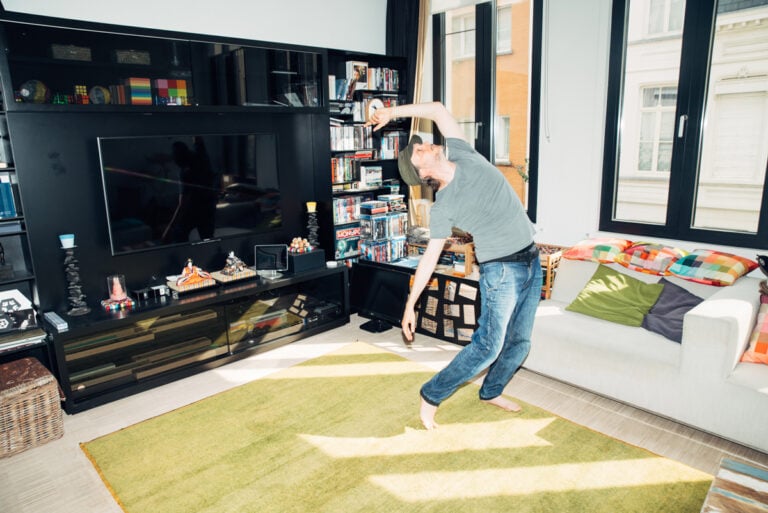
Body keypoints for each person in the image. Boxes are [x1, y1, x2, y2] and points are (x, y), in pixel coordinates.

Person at [367, 101, 542, 430]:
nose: (425, 145)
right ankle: (431, 394)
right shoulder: (443, 206)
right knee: (488, 346)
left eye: (421, 144)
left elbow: (437, 109)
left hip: (532, 259)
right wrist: (410, 304)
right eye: (418, 151)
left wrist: (392, 113)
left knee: (520, 343)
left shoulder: (463, 153)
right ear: (423, 174)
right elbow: (429, 258)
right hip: (501, 271)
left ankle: (491, 391)